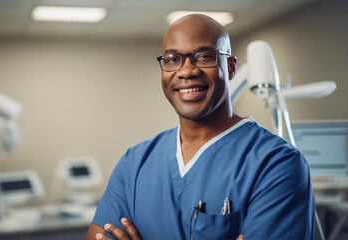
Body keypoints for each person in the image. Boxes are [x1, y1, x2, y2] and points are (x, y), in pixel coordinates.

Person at [86, 14, 315, 240]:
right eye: (173, 59)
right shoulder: (134, 162)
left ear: (231, 67)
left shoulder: (277, 163)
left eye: (204, 56)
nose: (186, 71)